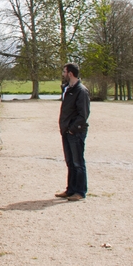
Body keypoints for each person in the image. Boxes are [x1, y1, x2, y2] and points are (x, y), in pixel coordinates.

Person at [56, 62, 90, 201]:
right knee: (70, 161)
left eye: (64, 72)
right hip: (66, 130)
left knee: (78, 162)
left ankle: (80, 192)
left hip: (75, 132)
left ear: (70, 73)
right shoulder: (67, 89)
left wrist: (72, 129)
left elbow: (83, 114)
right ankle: (70, 189)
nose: (63, 74)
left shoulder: (81, 91)